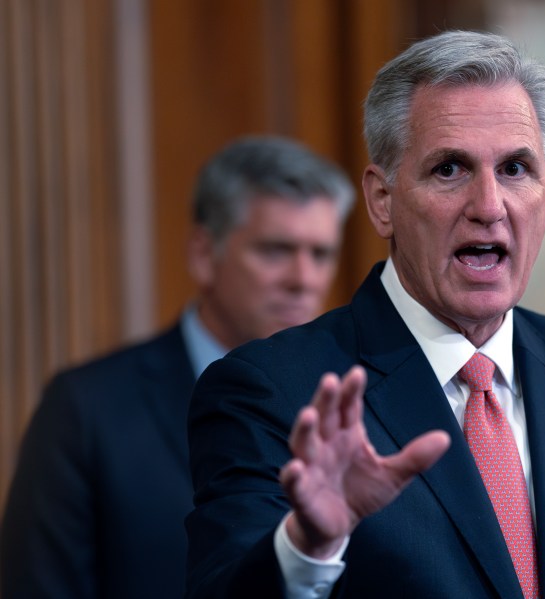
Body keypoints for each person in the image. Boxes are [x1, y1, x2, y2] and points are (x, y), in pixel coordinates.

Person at [186, 30, 545, 599]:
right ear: (382, 201)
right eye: (450, 169)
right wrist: (308, 546)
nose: (489, 207)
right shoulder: (273, 394)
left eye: (515, 169)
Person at [0, 135, 356, 599]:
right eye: (275, 250)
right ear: (204, 254)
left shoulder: (363, 397)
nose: (303, 280)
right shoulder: (87, 409)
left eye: (320, 254)